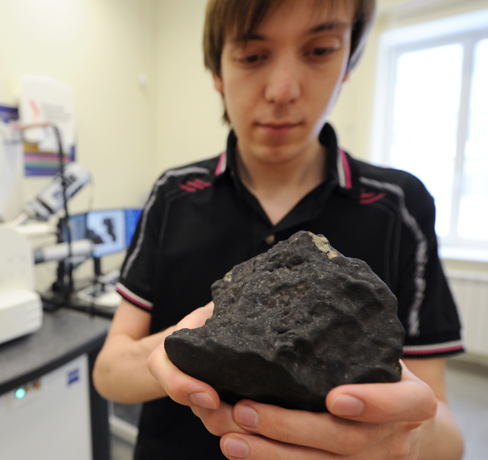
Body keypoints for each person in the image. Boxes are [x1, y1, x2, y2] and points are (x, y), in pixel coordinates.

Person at [92, 0, 465, 458]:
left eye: (320, 50)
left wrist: (406, 437)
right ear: (216, 69)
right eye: (252, 56)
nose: (283, 90)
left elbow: (446, 430)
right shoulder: (173, 194)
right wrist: (194, 342)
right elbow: (108, 373)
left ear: (349, 58)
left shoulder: (400, 206)